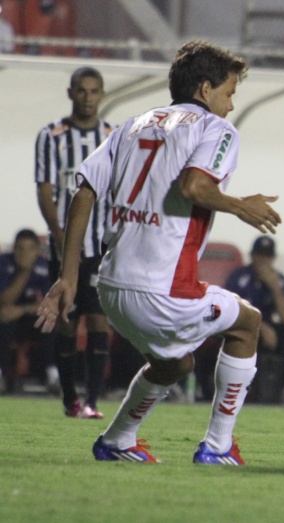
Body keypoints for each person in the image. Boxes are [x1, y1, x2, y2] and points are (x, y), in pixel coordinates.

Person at [36, 39, 282, 465]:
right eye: (229, 93)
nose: (230, 106)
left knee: (175, 366)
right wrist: (242, 206)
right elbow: (194, 186)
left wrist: (68, 277)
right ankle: (218, 447)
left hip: (112, 290)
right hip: (164, 291)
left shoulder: (131, 125)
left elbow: (84, 191)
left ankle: (116, 440)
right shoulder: (215, 129)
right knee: (248, 323)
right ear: (205, 89)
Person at [35, 66, 113, 419]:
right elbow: (45, 190)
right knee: (68, 320)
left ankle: (93, 400)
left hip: (100, 249)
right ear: (71, 93)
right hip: (63, 246)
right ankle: (70, 398)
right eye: (82, 90)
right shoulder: (51, 136)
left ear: (102, 94)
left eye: (94, 91)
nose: (88, 97)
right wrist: (59, 233)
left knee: (98, 320)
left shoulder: (112, 136)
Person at [224, 235, 284, 406]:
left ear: (273, 258)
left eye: (267, 257)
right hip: (243, 327)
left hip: (269, 330)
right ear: (252, 255)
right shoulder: (239, 277)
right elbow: (232, 311)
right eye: (259, 255)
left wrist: (276, 288)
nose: (263, 261)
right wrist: (260, 326)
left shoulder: (279, 280)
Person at [0, 229, 54, 393]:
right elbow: (4, 302)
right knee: (3, 324)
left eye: (30, 249)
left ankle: (52, 375)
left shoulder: (45, 266)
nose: (25, 253)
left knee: (49, 323)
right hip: (7, 319)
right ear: (14, 249)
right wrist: (24, 272)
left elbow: (50, 304)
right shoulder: (4, 263)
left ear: (37, 250)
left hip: (30, 317)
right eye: (20, 248)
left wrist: (23, 310)